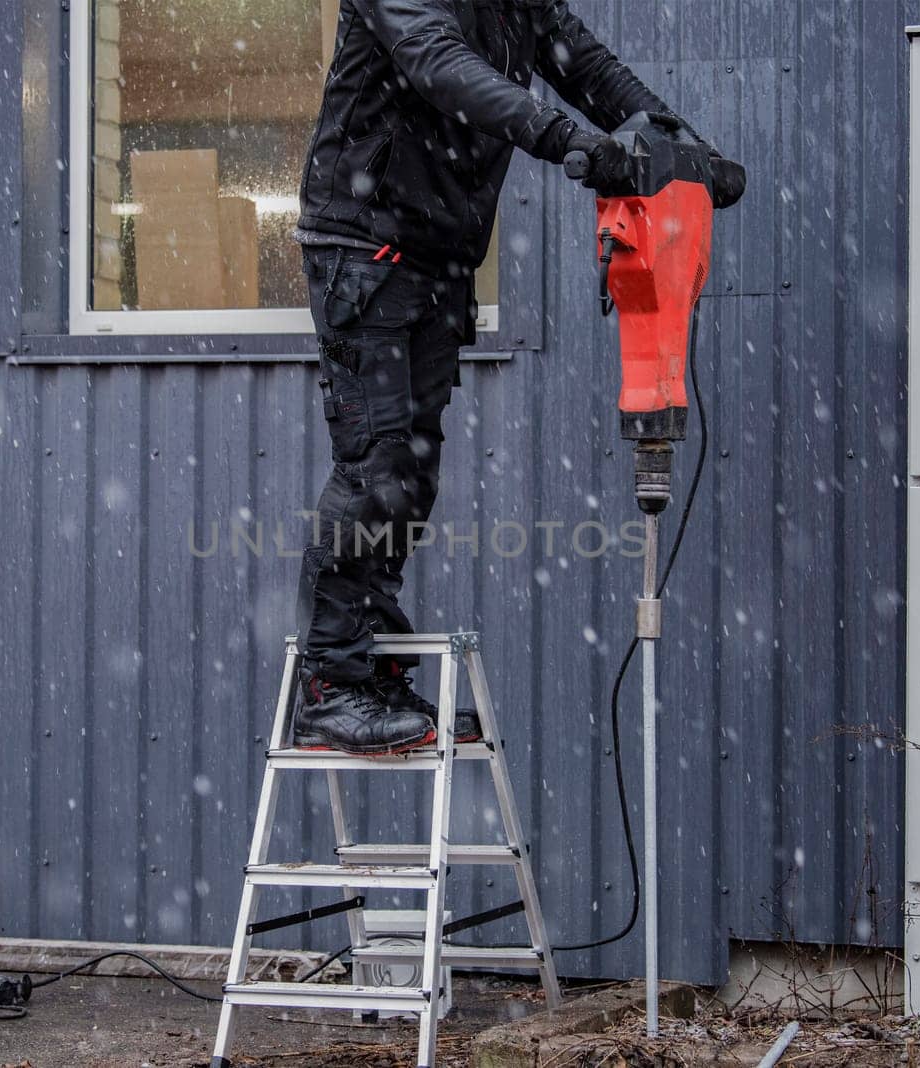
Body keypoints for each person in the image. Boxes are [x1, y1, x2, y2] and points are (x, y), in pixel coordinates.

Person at [291, 0, 746, 755]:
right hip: (361, 245)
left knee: (411, 473)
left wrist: (683, 150)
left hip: (435, 257)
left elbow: (590, 71)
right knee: (375, 464)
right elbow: (440, 64)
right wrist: (568, 139)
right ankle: (331, 684)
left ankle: (368, 663)